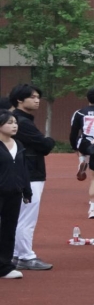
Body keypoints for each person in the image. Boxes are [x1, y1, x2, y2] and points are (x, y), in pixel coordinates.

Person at [10, 84, 55, 271]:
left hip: (24, 172)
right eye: (33, 97)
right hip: (29, 174)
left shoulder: (19, 120)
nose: (37, 100)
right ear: (20, 100)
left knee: (20, 216)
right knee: (26, 218)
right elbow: (45, 145)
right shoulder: (22, 122)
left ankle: (15, 254)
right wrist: (48, 140)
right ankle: (25, 256)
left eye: (38, 97)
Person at [0, 110, 32, 279]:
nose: (14, 126)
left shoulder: (18, 144)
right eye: (9, 123)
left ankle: (5, 266)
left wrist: (26, 190)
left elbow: (23, 169)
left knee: (9, 229)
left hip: (14, 193)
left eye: (15, 123)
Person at [69, 87, 94, 219]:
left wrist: (75, 148)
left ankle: (92, 209)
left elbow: (73, 133)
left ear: (87, 98)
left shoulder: (80, 113)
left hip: (88, 144)